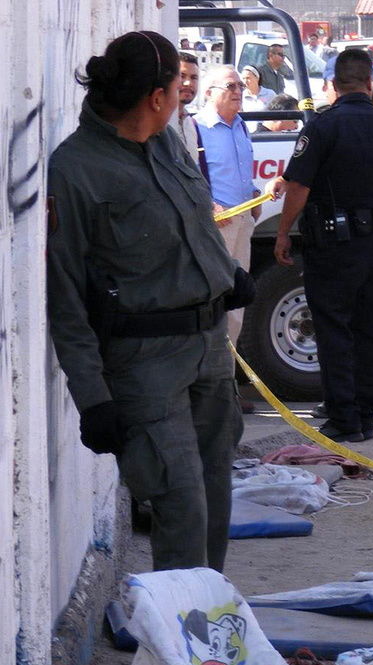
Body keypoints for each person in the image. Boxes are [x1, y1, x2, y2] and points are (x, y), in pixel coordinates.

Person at [47, 31, 249, 572]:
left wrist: (228, 274)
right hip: (145, 365)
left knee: (214, 499)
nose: (185, 94)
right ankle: (184, 625)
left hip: (208, 349)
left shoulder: (165, 142)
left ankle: (210, 618)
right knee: (180, 506)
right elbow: (65, 296)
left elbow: (194, 221)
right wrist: (93, 399)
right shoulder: (76, 169)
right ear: (156, 97)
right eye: (177, 87)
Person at [274, 49, 373, 443]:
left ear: (334, 85)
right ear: (371, 83)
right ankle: (367, 417)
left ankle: (344, 419)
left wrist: (284, 231)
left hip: (332, 247)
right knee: (372, 331)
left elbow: (298, 186)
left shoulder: (322, 127)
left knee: (334, 330)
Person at [195, 65, 262, 348]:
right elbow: (187, 178)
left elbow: (239, 169)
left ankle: (227, 367)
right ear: (209, 93)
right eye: (230, 86)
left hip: (242, 223)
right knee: (212, 298)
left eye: (240, 86)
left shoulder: (241, 125)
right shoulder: (196, 128)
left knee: (237, 300)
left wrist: (254, 192)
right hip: (216, 226)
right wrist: (209, 205)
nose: (238, 92)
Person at [175, 51, 201, 165]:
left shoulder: (190, 123)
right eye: (182, 76)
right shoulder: (158, 123)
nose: (188, 83)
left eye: (194, 77)